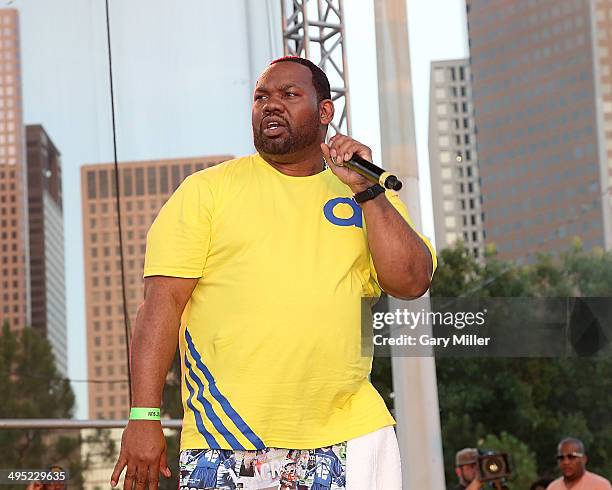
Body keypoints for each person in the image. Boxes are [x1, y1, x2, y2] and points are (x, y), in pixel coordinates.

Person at [111, 55, 436, 490]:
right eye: (261, 96)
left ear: (325, 112)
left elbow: (412, 282)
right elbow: (161, 306)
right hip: (228, 439)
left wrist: (367, 191)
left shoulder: (367, 192)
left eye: (288, 94)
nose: (270, 105)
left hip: (351, 431)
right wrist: (145, 416)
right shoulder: (207, 190)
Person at [547, 438, 611, 489]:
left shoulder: (600, 485)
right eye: (561, 458)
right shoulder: (553, 487)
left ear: (584, 459)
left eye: (571, 457)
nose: (566, 462)